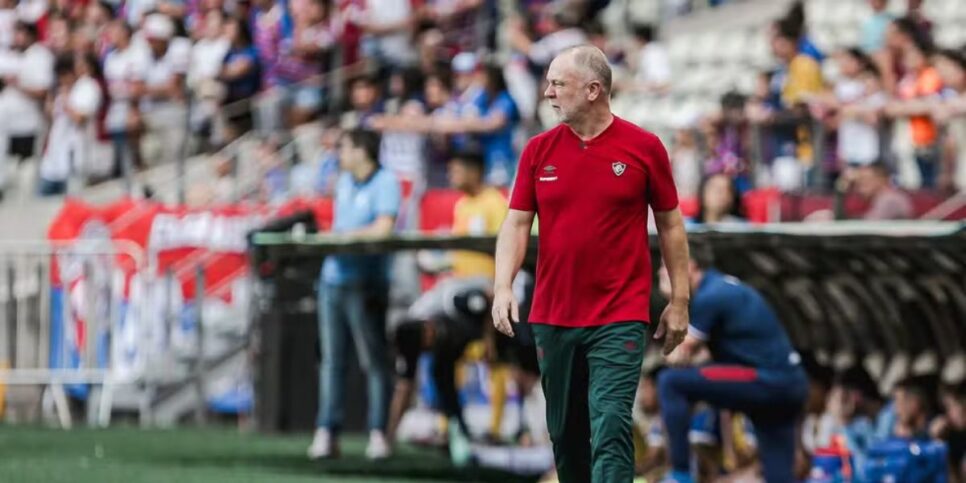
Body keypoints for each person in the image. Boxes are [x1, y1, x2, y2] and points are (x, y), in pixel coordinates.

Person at [491, 45, 691, 483]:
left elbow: (672, 226)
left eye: (558, 84)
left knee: (611, 424)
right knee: (565, 434)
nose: (547, 93)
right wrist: (503, 286)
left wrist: (679, 300)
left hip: (619, 314)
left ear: (594, 90)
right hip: (553, 315)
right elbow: (517, 223)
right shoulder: (537, 151)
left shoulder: (645, 147)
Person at [656, 246, 809, 483]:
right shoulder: (724, 287)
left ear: (690, 266)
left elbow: (676, 355)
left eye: (666, 268)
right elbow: (705, 355)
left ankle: (680, 474)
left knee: (671, 382)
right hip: (789, 384)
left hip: (767, 380)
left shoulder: (711, 296)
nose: (659, 273)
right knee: (778, 474)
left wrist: (674, 302)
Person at [307, 129, 401, 461]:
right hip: (333, 279)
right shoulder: (344, 182)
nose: (339, 155)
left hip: (367, 282)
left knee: (373, 361)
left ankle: (378, 433)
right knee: (331, 361)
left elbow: (383, 228)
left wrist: (343, 236)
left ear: (362, 151)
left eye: (344, 148)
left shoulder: (386, 181)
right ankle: (327, 431)